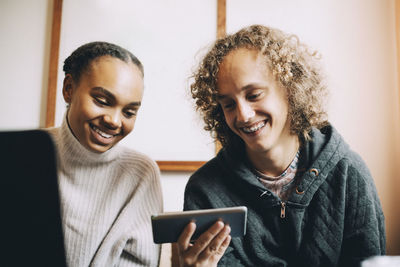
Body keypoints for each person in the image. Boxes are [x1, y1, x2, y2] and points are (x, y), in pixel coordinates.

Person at [177, 25, 386, 266]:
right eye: (228, 104)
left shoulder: (348, 173)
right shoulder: (205, 190)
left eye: (254, 95)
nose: (243, 115)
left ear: (290, 89)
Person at [46, 41, 163, 267]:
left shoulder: (141, 173)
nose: (114, 121)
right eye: (102, 101)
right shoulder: (23, 152)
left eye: (129, 112)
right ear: (68, 88)